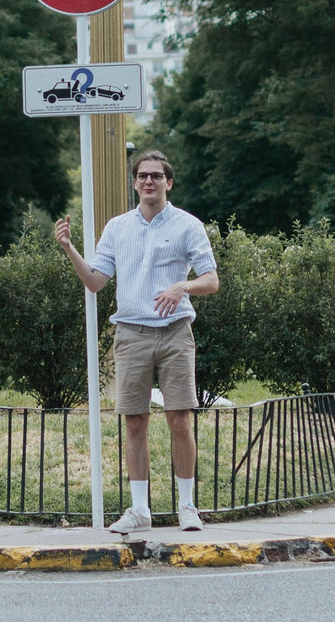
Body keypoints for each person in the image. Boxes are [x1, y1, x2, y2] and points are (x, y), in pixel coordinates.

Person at [54, 150, 219, 534]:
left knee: (179, 419)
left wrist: (183, 286)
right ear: (135, 183)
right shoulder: (118, 227)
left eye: (156, 176)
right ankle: (140, 510)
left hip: (175, 332)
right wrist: (69, 248)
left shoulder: (187, 225)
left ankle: (187, 506)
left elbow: (211, 280)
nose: (149, 181)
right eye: (143, 176)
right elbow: (95, 281)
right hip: (131, 334)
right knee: (135, 422)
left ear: (168, 182)